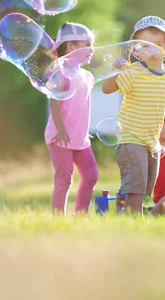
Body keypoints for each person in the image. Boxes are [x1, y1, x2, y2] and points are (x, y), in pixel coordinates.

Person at [102, 16, 165, 215]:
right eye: (145, 46)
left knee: (144, 186)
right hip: (131, 137)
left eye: (158, 44)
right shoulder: (133, 71)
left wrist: (156, 141)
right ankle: (135, 220)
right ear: (136, 50)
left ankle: (121, 202)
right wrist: (114, 71)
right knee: (136, 186)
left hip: (151, 141)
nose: (152, 51)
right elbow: (107, 89)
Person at [44, 22, 98, 216]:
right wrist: (61, 129)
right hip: (60, 137)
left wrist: (82, 131)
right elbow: (55, 104)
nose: (92, 49)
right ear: (71, 47)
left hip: (80, 139)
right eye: (88, 44)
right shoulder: (61, 74)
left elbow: (80, 106)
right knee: (65, 178)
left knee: (91, 175)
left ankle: (81, 215)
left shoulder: (87, 75)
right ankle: (58, 218)